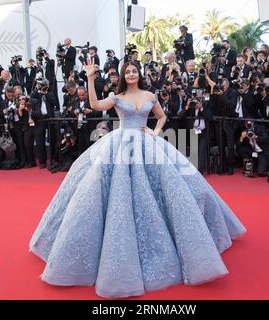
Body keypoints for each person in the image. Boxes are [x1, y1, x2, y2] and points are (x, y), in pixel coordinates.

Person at [29, 60, 246, 299]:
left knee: (169, 188)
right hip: (120, 144)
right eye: (128, 71)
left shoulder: (150, 95)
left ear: (138, 74)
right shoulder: (117, 95)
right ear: (124, 75)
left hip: (146, 144)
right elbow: (95, 104)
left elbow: (162, 117)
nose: (131, 74)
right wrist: (90, 78)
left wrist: (155, 131)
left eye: (134, 71)